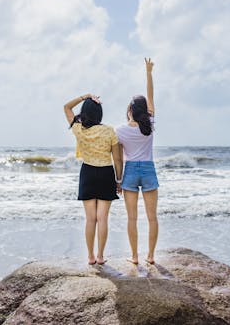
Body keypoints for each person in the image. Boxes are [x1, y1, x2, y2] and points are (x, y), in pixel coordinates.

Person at [64, 94, 123, 265]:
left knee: (91, 219)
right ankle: (100, 256)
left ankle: (90, 256)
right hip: (106, 173)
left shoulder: (78, 128)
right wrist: (119, 180)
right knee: (102, 218)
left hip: (88, 173)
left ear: (84, 112)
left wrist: (85, 97)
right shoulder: (109, 131)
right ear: (100, 113)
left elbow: (66, 107)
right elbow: (117, 159)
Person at [116, 58, 159, 265]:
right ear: (145, 110)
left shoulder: (120, 130)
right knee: (152, 217)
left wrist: (118, 179)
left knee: (131, 218)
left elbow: (117, 157)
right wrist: (148, 72)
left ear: (130, 110)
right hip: (148, 169)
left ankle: (134, 257)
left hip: (130, 171)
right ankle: (150, 256)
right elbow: (150, 96)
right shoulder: (149, 123)